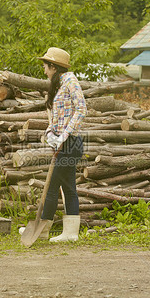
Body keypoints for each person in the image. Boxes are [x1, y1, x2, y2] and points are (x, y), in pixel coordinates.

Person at [37, 47, 86, 242]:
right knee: (68, 187)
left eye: (45, 67)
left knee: (52, 186)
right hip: (62, 143)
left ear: (53, 67)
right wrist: (50, 133)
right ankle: (70, 233)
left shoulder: (71, 81)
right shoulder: (59, 84)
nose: (44, 71)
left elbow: (81, 109)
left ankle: (43, 229)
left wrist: (65, 135)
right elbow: (57, 117)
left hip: (71, 143)